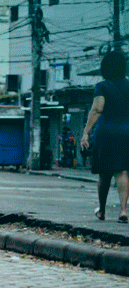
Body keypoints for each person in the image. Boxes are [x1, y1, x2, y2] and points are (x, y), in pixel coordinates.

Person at [83, 51, 129, 223]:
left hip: (106, 132)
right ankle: (123, 210)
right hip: (126, 132)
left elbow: (97, 109)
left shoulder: (102, 86)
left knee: (104, 173)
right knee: (122, 171)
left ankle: (102, 211)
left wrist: (86, 132)